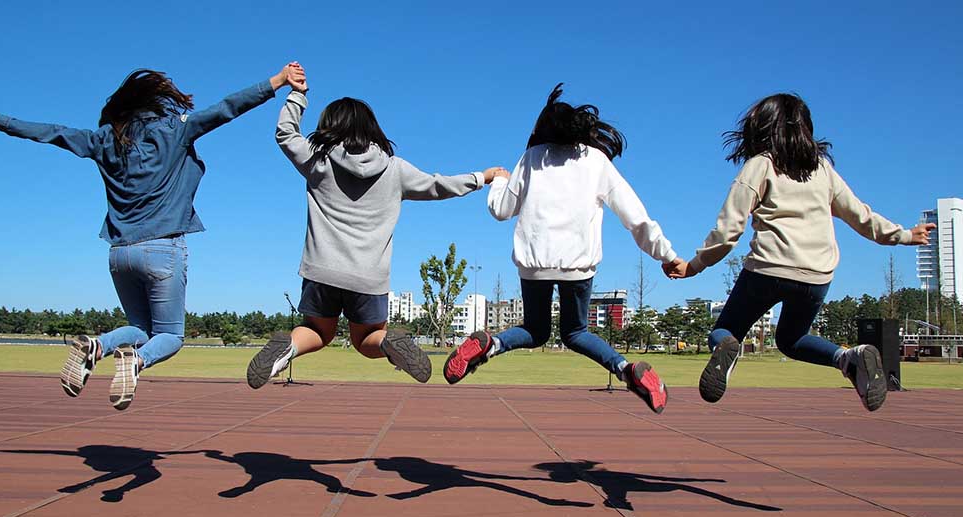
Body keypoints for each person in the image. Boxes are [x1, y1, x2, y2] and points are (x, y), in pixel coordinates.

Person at [0, 64, 295, 409]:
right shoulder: (174, 130)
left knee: (140, 328)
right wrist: (277, 81)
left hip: (119, 253)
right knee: (170, 336)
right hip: (162, 249)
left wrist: (1, 121)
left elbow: (55, 133)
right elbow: (227, 108)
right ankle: (136, 362)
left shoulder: (103, 139)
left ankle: (98, 346)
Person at [666, 93, 934, 412]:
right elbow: (860, 216)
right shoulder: (822, 170)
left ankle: (727, 347)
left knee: (725, 331)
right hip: (816, 276)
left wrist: (694, 266)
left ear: (761, 129)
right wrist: (903, 235)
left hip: (767, 269)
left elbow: (728, 232)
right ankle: (848, 357)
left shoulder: (760, 165)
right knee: (791, 340)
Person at [245, 63, 506, 387]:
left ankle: (288, 347)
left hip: (320, 270)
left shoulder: (319, 160)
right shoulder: (395, 170)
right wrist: (482, 178)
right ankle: (388, 344)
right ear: (372, 129)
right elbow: (439, 186)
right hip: (368, 277)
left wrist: (297, 95)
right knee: (367, 339)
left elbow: (286, 134)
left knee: (317, 331)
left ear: (330, 126)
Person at [442, 84, 680, 413]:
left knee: (534, 330)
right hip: (577, 266)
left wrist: (498, 179)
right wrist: (666, 255)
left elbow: (500, 210)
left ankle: (490, 344)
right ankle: (627, 370)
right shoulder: (596, 161)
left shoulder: (531, 158)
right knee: (576, 331)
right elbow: (635, 217)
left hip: (534, 264)